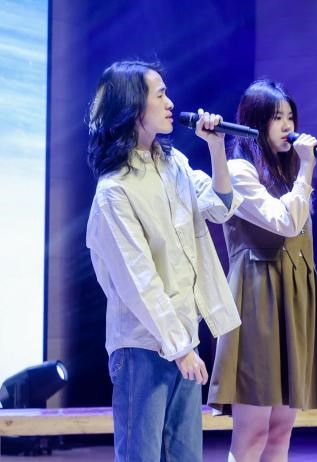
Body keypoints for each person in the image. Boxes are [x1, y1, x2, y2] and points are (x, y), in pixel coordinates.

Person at [85, 60, 241, 462]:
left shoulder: (174, 165)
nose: (171, 103)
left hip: (183, 337)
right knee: (142, 455)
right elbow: (139, 281)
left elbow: (220, 205)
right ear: (133, 106)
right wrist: (180, 348)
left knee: (186, 455)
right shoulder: (115, 191)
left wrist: (216, 146)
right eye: (160, 95)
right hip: (142, 346)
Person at [208, 79, 317, 462]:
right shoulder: (239, 170)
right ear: (255, 122)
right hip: (258, 298)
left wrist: (301, 169)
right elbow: (285, 223)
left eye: (290, 117)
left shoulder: (287, 173)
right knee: (252, 433)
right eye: (277, 117)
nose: (287, 126)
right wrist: (307, 168)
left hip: (294, 298)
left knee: (281, 430)